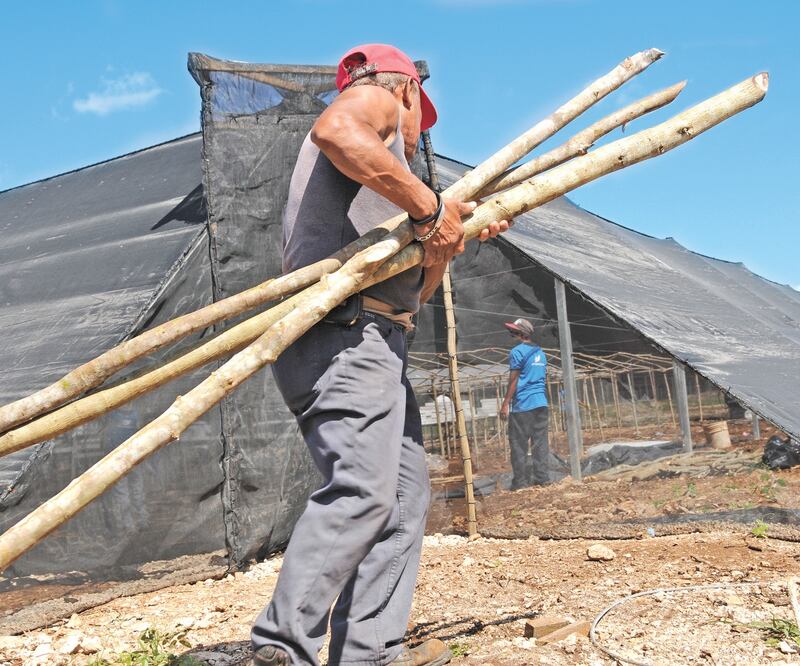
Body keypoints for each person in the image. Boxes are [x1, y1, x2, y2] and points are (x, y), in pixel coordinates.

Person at [250, 44, 508, 666]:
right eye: (423, 119)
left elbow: (412, 297)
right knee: (365, 489)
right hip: (344, 335)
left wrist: (441, 243)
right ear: (410, 92)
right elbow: (337, 129)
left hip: (379, 337)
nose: (420, 138)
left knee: (402, 499)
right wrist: (429, 206)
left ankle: (367, 654)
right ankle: (280, 648)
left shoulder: (387, 187)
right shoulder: (374, 100)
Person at [499, 318, 550, 489]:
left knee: (518, 444)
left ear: (521, 333)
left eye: (513, 330)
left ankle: (520, 483)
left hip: (523, 405)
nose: (511, 333)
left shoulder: (517, 352)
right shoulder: (541, 352)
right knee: (540, 443)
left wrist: (506, 403)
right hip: (541, 404)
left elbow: (514, 380)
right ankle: (543, 479)